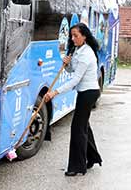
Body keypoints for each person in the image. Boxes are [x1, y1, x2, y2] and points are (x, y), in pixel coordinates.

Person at [43, 22, 103, 176]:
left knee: (77, 129)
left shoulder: (87, 54)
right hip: (84, 92)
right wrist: (66, 64)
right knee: (84, 127)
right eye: (72, 35)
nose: (73, 38)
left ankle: (77, 167)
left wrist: (54, 92)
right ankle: (92, 158)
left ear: (84, 36)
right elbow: (71, 70)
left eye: (76, 35)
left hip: (89, 93)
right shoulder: (78, 50)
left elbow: (75, 80)